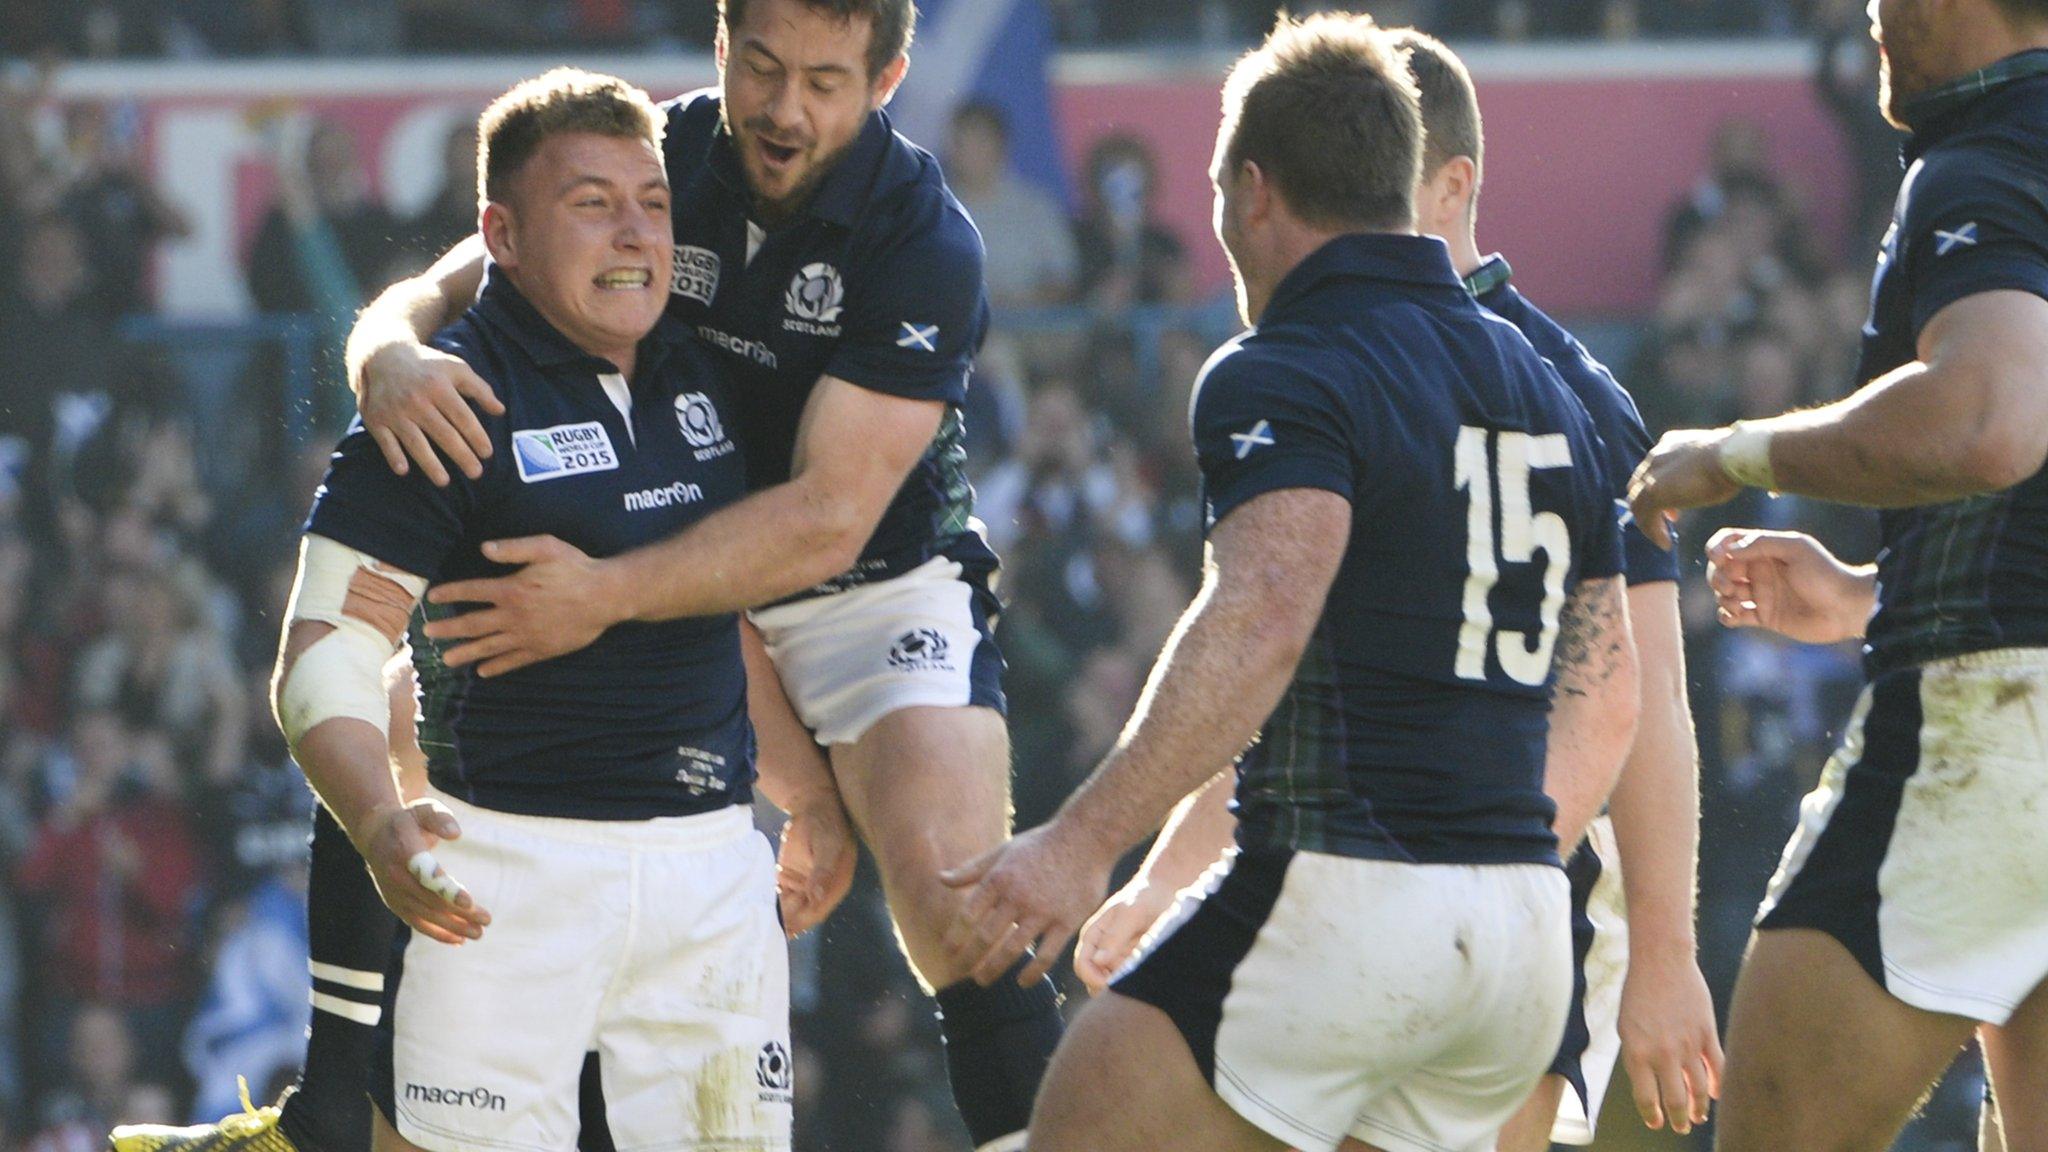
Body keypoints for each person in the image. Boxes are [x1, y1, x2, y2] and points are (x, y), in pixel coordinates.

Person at [316, 3, 1060, 1150]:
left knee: (960, 907)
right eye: (760, 68)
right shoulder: (655, 159)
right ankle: (326, 1107)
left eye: (823, 80)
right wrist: (387, 356)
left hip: (870, 578)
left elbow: (822, 520)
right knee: (394, 717)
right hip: (667, 531)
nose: (783, 108)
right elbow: (450, 285)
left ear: (888, 77)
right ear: (719, 51)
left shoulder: (923, 238)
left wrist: (602, 596)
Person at [110, 68, 853, 1152]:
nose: (635, 232)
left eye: (651, 202)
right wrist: (376, 823)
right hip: (503, 883)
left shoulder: (702, 365)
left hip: (713, 886)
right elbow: (323, 657)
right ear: (499, 235)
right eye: (590, 204)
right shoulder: (441, 402)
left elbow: (715, 618)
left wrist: (811, 799)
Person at [942, 15, 1640, 1152]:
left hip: (1348, 894)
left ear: (1250, 192)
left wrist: (1080, 843)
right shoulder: (1545, 375)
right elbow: (1601, 663)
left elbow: (1262, 619)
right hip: (1522, 930)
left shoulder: (1285, 362)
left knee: (1071, 1119)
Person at [1627, 0, 2048, 1147]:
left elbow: (1989, 417)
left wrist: (1730, 453)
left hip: (1984, 733)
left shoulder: (1984, 156)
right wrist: (1875, 594)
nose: (1867, 10)